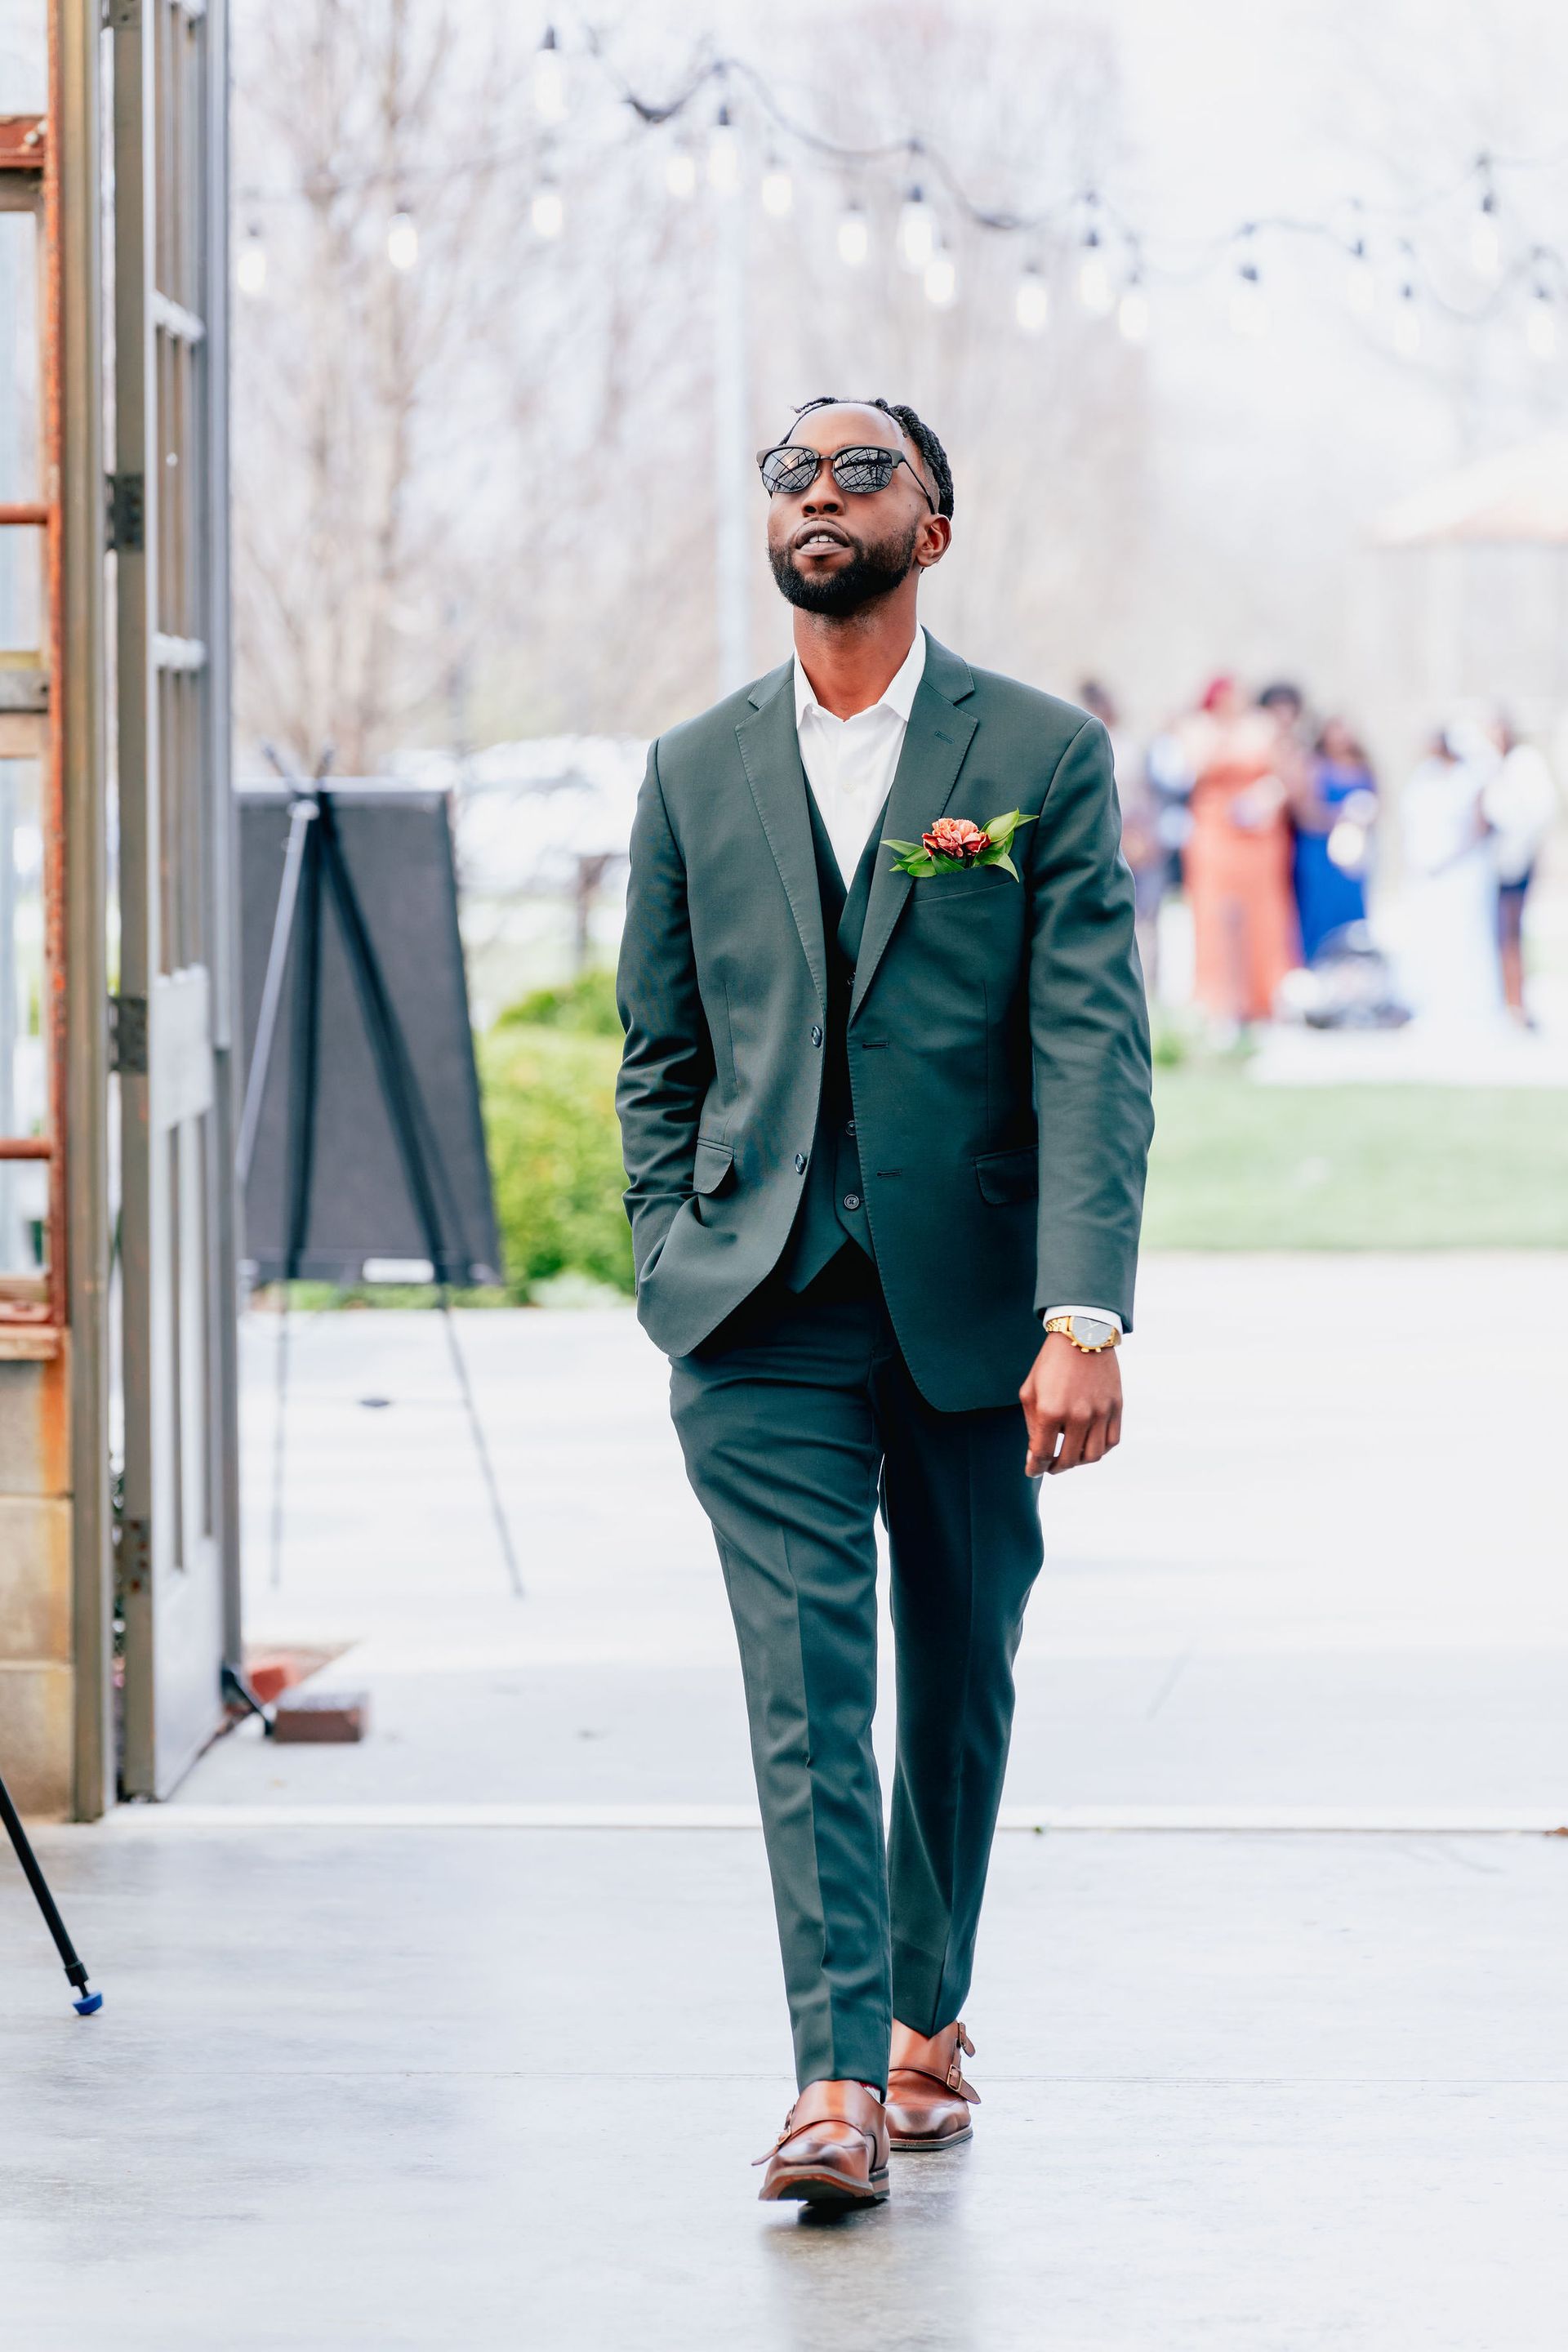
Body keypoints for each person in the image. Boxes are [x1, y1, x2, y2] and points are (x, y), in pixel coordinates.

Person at [617, 398, 1153, 2211]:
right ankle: (835, 2078)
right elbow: (659, 1049)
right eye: (788, 470)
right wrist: (658, 1243)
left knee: (960, 1667)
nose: (817, 493)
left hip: (975, 1304)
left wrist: (1083, 1311)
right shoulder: (696, 767)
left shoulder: (1042, 757)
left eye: (859, 470)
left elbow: (1092, 1049)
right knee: (804, 1685)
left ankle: (929, 2004)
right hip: (754, 1306)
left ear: (936, 521)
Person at [1173, 676, 1300, 1031]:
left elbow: (1284, 774)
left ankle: (1264, 997)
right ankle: (1219, 1000)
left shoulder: (1262, 728)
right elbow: (1190, 772)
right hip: (1214, 833)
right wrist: (1219, 737)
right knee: (1215, 913)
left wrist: (1265, 799)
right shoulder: (1197, 730)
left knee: (1264, 912)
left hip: (1260, 834)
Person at [1396, 727, 1503, 1027]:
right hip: (1423, 872)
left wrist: (1446, 860)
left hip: (1460, 871)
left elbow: (1479, 828)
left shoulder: (1470, 779)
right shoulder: (1421, 777)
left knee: (1461, 934)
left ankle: (1465, 1004)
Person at [1482, 712, 1557, 1024]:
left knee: (1509, 931)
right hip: (1487, 865)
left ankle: (1516, 1004)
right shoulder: (1488, 763)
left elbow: (1536, 809)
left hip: (1513, 860)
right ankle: (1503, 1001)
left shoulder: (1523, 764)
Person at [1292, 716, 1377, 964]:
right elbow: (1306, 811)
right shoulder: (1315, 767)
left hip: (1354, 853)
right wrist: (1340, 817)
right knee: (1321, 909)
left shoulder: (1361, 766)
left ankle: (1355, 961)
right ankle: (1318, 961)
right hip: (1321, 851)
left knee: (1351, 908)